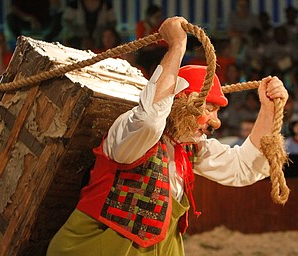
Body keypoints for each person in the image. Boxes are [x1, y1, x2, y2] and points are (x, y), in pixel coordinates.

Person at [46, 17, 288, 256]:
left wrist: (267, 110)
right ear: (182, 102)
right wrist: (177, 46)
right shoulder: (132, 132)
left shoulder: (190, 148)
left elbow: (242, 168)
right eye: (209, 108)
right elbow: (151, 120)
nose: (216, 121)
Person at [135, 4, 167, 78]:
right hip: (145, 56)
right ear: (149, 17)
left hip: (159, 53)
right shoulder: (141, 25)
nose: (159, 19)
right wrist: (147, 30)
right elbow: (141, 44)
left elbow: (164, 44)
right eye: (156, 17)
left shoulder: (162, 25)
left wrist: (153, 46)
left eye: (160, 16)